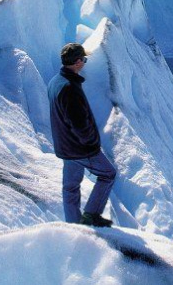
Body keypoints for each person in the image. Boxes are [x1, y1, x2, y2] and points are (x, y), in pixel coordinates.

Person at [48, 43, 116, 228]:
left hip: (65, 147)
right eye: (84, 59)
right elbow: (78, 123)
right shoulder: (70, 88)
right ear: (78, 62)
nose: (85, 62)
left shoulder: (55, 82)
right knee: (108, 174)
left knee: (70, 187)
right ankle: (91, 215)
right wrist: (92, 144)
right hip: (80, 148)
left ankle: (73, 225)